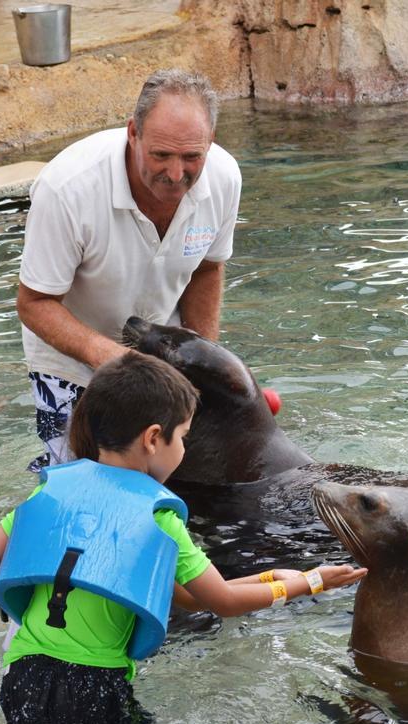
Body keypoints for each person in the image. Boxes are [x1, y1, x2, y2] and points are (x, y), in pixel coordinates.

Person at [0, 351, 366, 724]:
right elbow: (220, 602)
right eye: (184, 437)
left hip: (25, 675)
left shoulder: (51, 491)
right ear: (153, 438)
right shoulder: (158, 517)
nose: (185, 450)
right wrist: (310, 581)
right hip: (96, 684)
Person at [17, 68, 241, 472]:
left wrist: (199, 359)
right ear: (132, 133)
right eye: (161, 155)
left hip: (161, 357)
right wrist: (114, 360)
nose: (176, 175)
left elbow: (207, 268)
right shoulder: (67, 188)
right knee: (80, 483)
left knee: (172, 485)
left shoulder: (224, 178)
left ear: (210, 142)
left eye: (192, 157)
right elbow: (34, 303)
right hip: (72, 361)